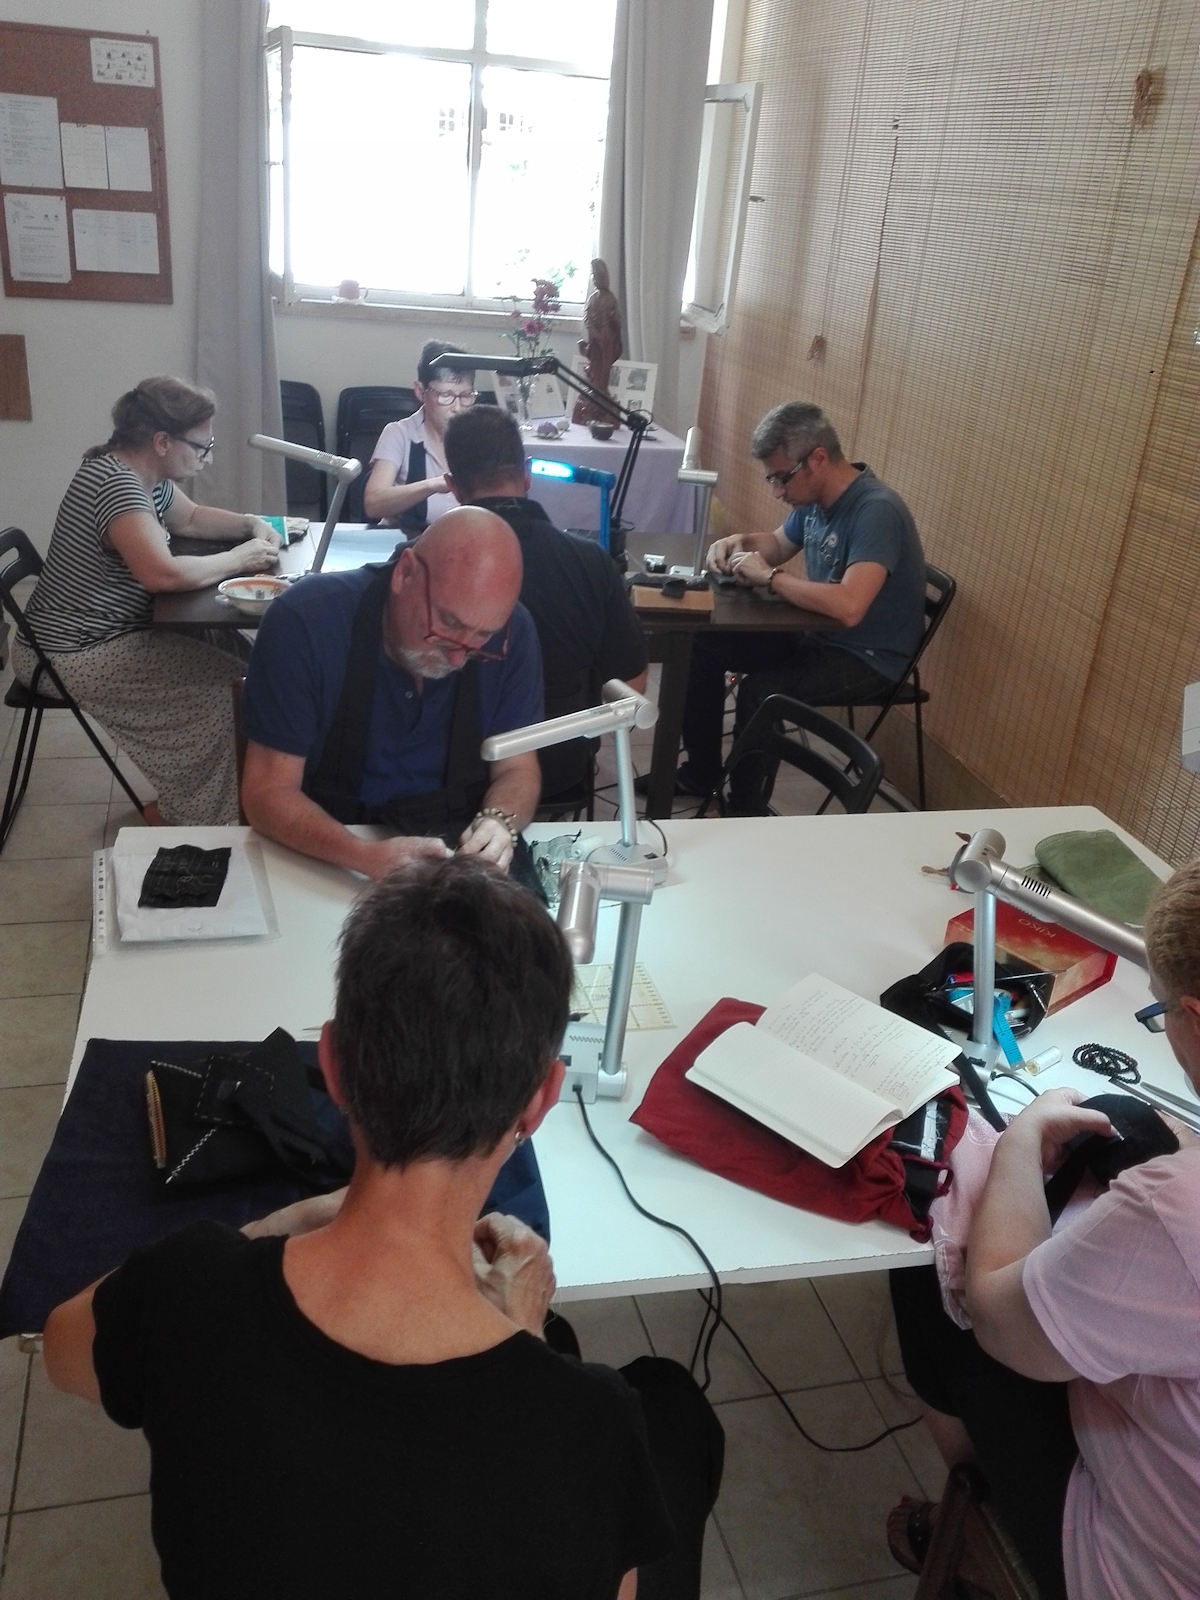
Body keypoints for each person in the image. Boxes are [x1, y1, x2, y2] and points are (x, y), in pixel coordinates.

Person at [42, 856, 725, 1600]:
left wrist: (269, 1228)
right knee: (671, 1404)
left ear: (333, 1064)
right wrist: (529, 1343)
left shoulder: (184, 1291)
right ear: (540, 1101)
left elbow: (63, 1351)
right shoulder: (589, 1426)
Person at [888, 857, 1200, 1600]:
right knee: (1124, 1123)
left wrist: (1022, 1141)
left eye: (1160, 1012)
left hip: (1149, 1574)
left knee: (929, 1273)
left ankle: (972, 1535)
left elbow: (1000, 1318)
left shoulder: (1178, 1209)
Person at [12, 377, 281, 826]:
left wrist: (251, 524)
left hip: (95, 636)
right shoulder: (117, 485)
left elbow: (191, 518)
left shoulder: (142, 474)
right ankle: (202, 818)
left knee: (239, 659)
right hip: (69, 653)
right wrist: (240, 558)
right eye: (201, 447)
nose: (207, 457)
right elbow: (162, 575)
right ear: (162, 441)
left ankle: (206, 801)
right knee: (227, 694)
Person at [239, 507, 544, 881]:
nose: (458, 658)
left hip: (458, 851)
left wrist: (499, 821)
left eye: (483, 638)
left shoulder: (515, 633)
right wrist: (363, 856)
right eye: (449, 624)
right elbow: (267, 792)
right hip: (332, 854)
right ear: (405, 573)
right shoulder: (306, 622)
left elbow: (518, 769)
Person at [675, 402, 926, 807]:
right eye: (771, 479)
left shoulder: (876, 511)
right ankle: (701, 774)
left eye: (781, 478)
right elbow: (776, 544)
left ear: (818, 459)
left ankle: (744, 811)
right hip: (819, 634)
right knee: (699, 646)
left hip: (868, 657)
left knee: (761, 692)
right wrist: (738, 542)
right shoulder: (814, 503)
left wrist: (771, 578)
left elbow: (849, 607)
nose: (778, 491)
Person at [443, 404, 648, 798]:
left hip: (449, 770)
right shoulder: (592, 563)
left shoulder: (419, 561)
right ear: (527, 473)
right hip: (558, 766)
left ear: (453, 485)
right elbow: (631, 687)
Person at [361, 340, 477, 533]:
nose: (457, 408)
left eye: (466, 396)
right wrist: (434, 485)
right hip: (407, 542)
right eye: (446, 395)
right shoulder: (399, 433)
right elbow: (373, 503)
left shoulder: (479, 438)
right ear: (420, 391)